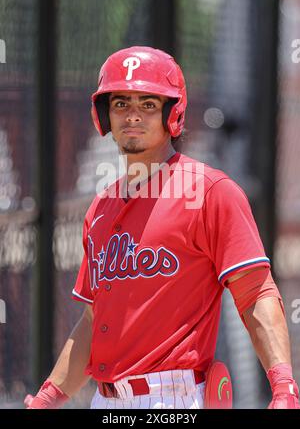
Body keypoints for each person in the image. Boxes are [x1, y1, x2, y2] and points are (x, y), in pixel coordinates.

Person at [25, 46, 300, 409]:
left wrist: (283, 386)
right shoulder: (100, 209)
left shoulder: (210, 192)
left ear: (173, 113)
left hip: (172, 400)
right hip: (106, 403)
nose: (132, 116)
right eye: (121, 103)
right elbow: (93, 320)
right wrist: (48, 398)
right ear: (104, 115)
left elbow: (255, 293)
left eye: (148, 104)